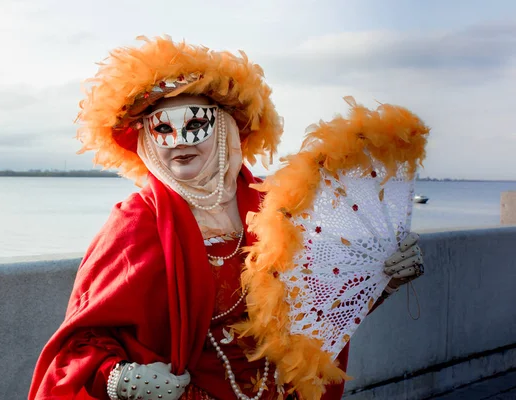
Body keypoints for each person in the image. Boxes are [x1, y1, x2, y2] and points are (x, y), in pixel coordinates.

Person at [29, 36, 424, 400]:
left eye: (195, 123)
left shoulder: (278, 208)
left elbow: (318, 311)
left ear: (224, 131)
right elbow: (82, 342)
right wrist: (120, 379)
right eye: (162, 129)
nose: (180, 142)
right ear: (146, 139)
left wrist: (380, 281)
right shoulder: (136, 222)